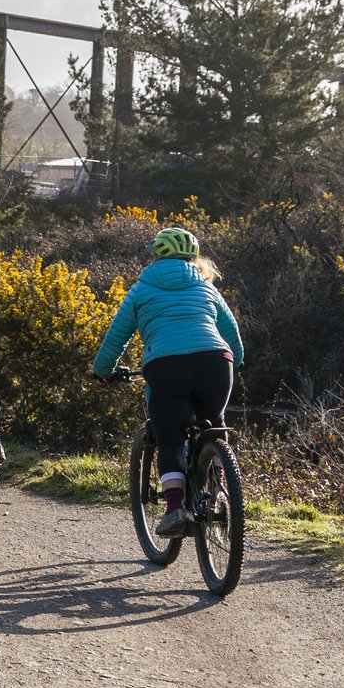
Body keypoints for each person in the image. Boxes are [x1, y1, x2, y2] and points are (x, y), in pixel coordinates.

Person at [90, 225, 243, 530]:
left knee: (171, 438)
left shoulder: (141, 290)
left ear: (155, 257)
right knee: (214, 422)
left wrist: (103, 371)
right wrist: (235, 362)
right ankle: (218, 490)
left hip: (166, 366)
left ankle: (175, 509)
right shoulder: (206, 288)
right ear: (195, 258)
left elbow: (116, 337)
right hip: (215, 362)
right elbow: (232, 335)